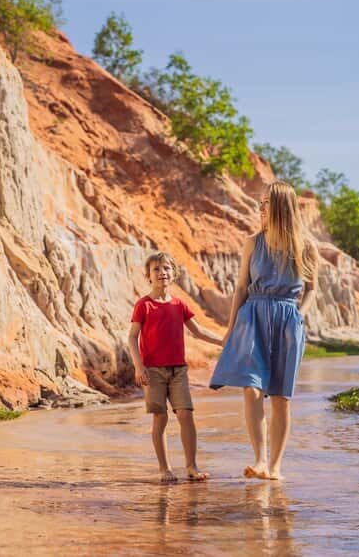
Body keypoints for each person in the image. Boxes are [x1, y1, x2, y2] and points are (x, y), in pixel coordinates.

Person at [209, 181, 319, 481]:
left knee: (281, 397)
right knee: (251, 388)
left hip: (287, 319)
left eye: (266, 201)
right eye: (260, 202)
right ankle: (259, 460)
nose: (261, 207)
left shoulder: (306, 245)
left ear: (282, 205)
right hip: (252, 317)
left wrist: (299, 314)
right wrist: (231, 327)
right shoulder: (252, 243)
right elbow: (241, 287)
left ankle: (276, 467)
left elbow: (312, 288)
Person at [128, 252, 224, 483]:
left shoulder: (179, 304)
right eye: (157, 269)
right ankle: (165, 469)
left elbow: (198, 331)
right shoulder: (144, 305)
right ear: (148, 276)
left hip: (178, 370)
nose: (162, 273)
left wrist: (223, 341)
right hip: (152, 371)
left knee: (186, 414)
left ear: (174, 274)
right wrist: (138, 366)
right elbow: (132, 338)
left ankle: (191, 467)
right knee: (160, 418)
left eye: (167, 269)